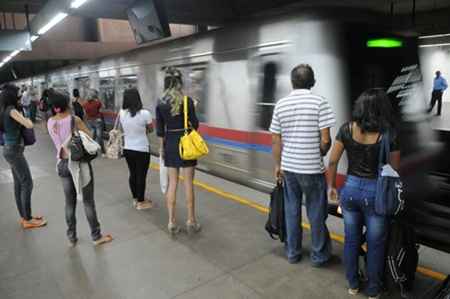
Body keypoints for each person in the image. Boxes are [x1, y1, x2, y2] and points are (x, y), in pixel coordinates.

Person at [328, 89, 400, 299]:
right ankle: (373, 290)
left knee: (351, 239)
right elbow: (395, 170)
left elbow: (332, 161)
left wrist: (332, 187)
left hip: (349, 191)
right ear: (382, 109)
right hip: (376, 194)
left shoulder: (346, 129)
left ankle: (352, 284)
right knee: (375, 244)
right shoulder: (389, 133)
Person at [270, 64, 334, 266]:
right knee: (316, 212)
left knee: (292, 211)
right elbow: (325, 140)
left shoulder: (281, 104)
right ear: (313, 82)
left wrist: (278, 165)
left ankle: (292, 253)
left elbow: (275, 140)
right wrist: (321, 152)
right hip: (312, 169)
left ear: (292, 82)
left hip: (289, 167)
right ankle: (319, 256)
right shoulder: (319, 102)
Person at [47, 91, 113, 247]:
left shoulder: (50, 122)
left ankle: (72, 237)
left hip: (62, 164)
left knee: (69, 203)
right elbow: (89, 136)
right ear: (66, 104)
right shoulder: (74, 119)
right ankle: (96, 237)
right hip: (79, 164)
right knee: (88, 202)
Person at [156, 67, 201, 235]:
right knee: (188, 183)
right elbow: (195, 125)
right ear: (180, 83)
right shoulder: (187, 101)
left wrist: (161, 149)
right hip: (186, 144)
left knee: (172, 183)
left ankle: (171, 222)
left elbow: (160, 130)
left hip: (170, 144)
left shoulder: (160, 102)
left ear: (166, 83)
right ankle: (191, 220)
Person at [0, 84, 47, 229]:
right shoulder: (12, 110)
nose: (19, 96)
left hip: (10, 149)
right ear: (12, 96)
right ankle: (27, 219)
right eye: (17, 93)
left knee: (19, 183)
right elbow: (29, 125)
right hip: (14, 151)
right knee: (27, 183)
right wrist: (27, 117)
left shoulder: (3, 110)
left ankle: (25, 216)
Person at [119, 88, 153, 210]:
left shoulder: (122, 113)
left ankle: (135, 199)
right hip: (142, 149)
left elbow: (123, 129)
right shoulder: (145, 114)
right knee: (141, 176)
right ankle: (141, 202)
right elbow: (151, 129)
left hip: (128, 149)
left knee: (133, 174)